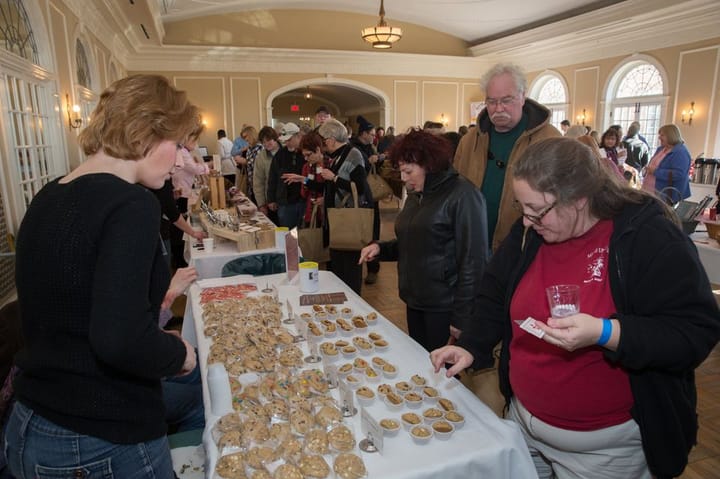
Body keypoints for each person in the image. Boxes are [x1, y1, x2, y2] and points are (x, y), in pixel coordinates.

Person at [431, 137, 720, 479]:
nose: (526, 221)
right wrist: (472, 345)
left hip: (604, 451)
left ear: (580, 199)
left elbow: (693, 331)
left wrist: (605, 332)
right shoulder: (532, 230)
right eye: (521, 208)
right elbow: (494, 291)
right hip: (524, 424)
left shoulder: (646, 235)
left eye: (536, 211)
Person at [5, 74, 199, 477]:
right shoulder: (131, 204)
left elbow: (74, 307)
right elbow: (119, 340)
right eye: (177, 144)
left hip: (31, 424)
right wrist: (179, 354)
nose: (181, 159)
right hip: (99, 437)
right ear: (147, 134)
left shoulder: (49, 193)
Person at [359, 130, 488, 352]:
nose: (403, 179)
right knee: (422, 365)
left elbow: (474, 261)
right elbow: (413, 241)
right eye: (401, 171)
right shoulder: (418, 194)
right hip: (415, 299)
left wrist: (462, 316)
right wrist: (380, 248)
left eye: (408, 171)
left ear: (429, 164)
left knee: (443, 375)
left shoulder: (463, 195)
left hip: (444, 305)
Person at [454, 62, 561, 252]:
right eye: (492, 101)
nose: (498, 108)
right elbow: (455, 192)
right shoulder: (469, 141)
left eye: (507, 100)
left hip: (525, 246)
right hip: (473, 246)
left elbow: (562, 199)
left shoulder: (550, 139)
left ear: (522, 96)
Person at [317, 118, 370, 294]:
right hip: (336, 217)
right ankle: (339, 297)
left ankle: (352, 300)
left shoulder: (353, 154)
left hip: (348, 219)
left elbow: (360, 187)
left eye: (324, 141)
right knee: (337, 263)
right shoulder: (336, 156)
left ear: (331, 139)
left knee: (350, 265)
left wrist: (334, 178)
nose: (324, 145)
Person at [352, 115, 382, 285]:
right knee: (362, 233)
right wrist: (368, 161)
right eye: (371, 133)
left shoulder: (371, 147)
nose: (373, 136)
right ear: (363, 134)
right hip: (361, 198)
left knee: (374, 233)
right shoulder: (354, 149)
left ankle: (373, 269)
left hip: (372, 197)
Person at [641, 123, 692, 204]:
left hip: (666, 195)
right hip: (649, 192)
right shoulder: (661, 149)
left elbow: (679, 174)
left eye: (662, 135)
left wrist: (655, 171)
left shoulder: (680, 152)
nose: (659, 137)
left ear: (671, 135)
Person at [268, 122, 306, 229]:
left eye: (289, 140)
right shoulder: (280, 155)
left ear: (298, 136)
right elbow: (273, 178)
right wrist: (271, 199)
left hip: (303, 201)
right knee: (287, 235)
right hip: (285, 202)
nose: (287, 143)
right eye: (285, 141)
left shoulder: (306, 153)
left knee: (304, 235)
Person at [253, 126, 281, 223]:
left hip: (288, 201)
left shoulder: (285, 151)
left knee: (291, 232)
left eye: (268, 140)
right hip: (271, 201)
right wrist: (261, 204)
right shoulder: (260, 157)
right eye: (263, 142)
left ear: (275, 138)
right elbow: (258, 182)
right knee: (277, 232)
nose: (266, 144)